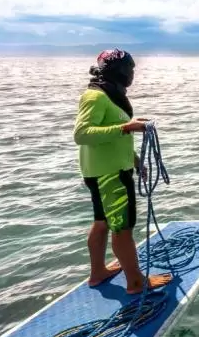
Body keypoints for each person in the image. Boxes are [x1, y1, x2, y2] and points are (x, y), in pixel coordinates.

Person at [73, 50, 171, 294]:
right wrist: (127, 127)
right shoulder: (95, 97)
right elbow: (82, 134)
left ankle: (97, 273)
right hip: (110, 175)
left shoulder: (110, 95)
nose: (132, 74)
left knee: (103, 221)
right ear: (118, 70)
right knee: (122, 227)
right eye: (130, 69)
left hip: (107, 170)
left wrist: (137, 161)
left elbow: (114, 135)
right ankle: (136, 282)